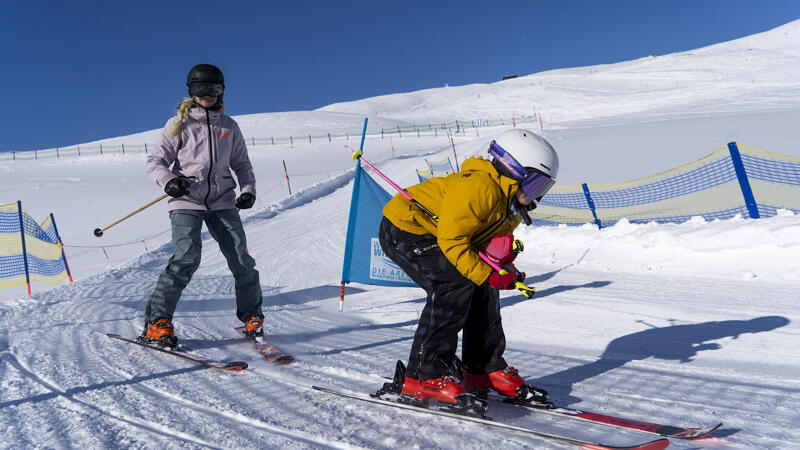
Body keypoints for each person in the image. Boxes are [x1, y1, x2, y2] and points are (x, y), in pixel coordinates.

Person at [378, 129, 559, 407]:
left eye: (543, 188)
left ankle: (483, 370)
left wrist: (502, 271)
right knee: (452, 282)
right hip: (407, 229)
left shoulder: (509, 205)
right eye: (535, 185)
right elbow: (453, 241)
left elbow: (484, 247)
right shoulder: (479, 187)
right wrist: (487, 273)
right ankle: (426, 376)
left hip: (442, 235)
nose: (537, 196)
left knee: (482, 285)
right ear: (514, 170)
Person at [139, 64, 263, 348]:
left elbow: (242, 164)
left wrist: (248, 190)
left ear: (221, 92)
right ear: (191, 92)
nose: (207, 94)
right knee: (186, 258)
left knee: (242, 260)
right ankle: (157, 323)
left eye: (213, 89)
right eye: (200, 89)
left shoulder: (229, 126)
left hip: (222, 200)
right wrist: (169, 180)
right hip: (187, 198)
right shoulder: (178, 124)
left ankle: (252, 316)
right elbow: (155, 162)